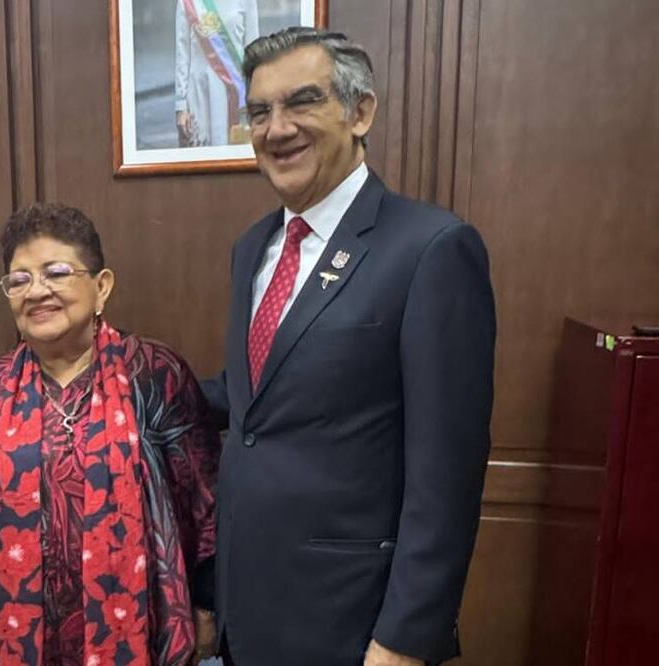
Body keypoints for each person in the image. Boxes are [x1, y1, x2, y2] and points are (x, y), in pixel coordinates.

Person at [202, 28, 496, 665]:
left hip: (353, 626)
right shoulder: (253, 249)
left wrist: (404, 640)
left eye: (302, 102)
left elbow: (446, 475)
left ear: (361, 112)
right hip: (247, 613)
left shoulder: (431, 249)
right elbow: (254, 395)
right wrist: (127, 376)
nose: (277, 128)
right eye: (259, 111)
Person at [0, 203, 219, 665]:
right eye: (19, 279)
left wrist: (207, 608)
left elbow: (204, 504)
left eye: (56, 272)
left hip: (143, 636)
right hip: (16, 641)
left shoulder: (154, 375)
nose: (37, 291)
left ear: (101, 286)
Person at [175, 0, 259, 147]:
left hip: (236, 96)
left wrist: (255, 102)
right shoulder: (188, 2)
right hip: (201, 95)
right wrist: (181, 106)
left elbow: (253, 54)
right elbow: (182, 54)